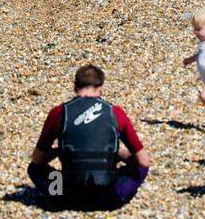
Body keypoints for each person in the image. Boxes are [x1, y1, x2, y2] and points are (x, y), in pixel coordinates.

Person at [28, 64, 150, 211]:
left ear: (74, 87)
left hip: (66, 196)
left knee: (34, 168)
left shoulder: (58, 112)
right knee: (141, 169)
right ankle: (119, 192)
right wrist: (118, 154)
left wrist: (61, 151)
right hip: (109, 197)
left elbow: (38, 159)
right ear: (101, 88)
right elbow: (143, 161)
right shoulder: (116, 112)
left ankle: (56, 195)